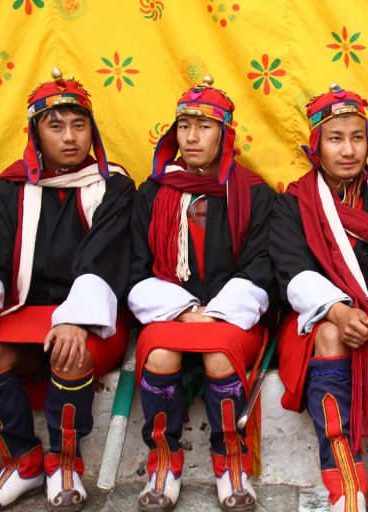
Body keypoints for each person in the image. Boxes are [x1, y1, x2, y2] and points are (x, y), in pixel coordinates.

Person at [0, 67, 134, 511]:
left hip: (92, 316)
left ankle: (64, 463)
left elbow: (102, 259)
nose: (70, 137)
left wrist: (74, 319)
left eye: (79, 125)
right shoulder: (9, 187)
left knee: (70, 352)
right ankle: (25, 463)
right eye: (55, 126)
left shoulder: (114, 186)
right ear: (36, 134)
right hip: (25, 313)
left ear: (93, 131)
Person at [270, 83, 368, 512]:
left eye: (357, 137)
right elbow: (291, 269)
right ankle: (346, 479)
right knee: (330, 337)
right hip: (319, 321)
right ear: (316, 145)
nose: (348, 150)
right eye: (335, 138)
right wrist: (338, 311)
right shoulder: (294, 203)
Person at [128, 75, 273, 511]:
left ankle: (231, 461)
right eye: (184, 125)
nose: (191, 137)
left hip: (230, 319)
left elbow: (262, 268)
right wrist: (186, 310)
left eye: (205, 126)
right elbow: (135, 268)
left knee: (218, 354)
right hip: (170, 315)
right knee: (159, 357)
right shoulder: (152, 193)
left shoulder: (253, 193)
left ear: (225, 135)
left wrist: (216, 315)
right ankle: (164, 462)